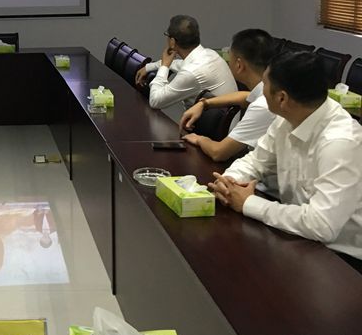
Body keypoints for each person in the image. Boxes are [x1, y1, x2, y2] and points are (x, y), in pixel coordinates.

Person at [209, 52, 362, 274]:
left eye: (265, 85)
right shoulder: (288, 118)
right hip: (298, 236)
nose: (261, 90)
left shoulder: (340, 142)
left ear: (282, 98)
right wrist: (229, 182)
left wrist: (248, 203)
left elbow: (322, 225)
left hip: (342, 260)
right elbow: (256, 160)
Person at [179, 29, 277, 163]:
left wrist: (199, 139)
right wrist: (204, 103)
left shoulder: (262, 106)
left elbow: (218, 152)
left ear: (239, 65)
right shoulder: (271, 91)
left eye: (229, 57)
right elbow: (246, 96)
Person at [135, 15, 237, 111]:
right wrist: (149, 67)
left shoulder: (191, 73)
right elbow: (180, 64)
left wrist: (164, 66)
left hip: (211, 123)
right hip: (228, 121)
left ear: (172, 42)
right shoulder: (210, 54)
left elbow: (155, 101)